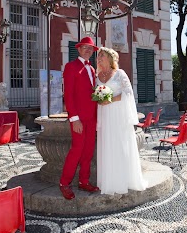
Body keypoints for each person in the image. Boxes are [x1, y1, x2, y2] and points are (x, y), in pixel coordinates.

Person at [95, 47, 147, 195]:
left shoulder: (120, 74)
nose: (99, 59)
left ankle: (124, 180)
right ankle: (109, 181)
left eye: (102, 56)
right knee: (107, 145)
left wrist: (110, 99)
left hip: (118, 115)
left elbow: (129, 93)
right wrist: (99, 100)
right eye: (98, 56)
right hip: (105, 115)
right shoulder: (97, 75)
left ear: (110, 58)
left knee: (120, 145)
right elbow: (95, 93)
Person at [59, 36, 100, 200]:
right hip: (79, 118)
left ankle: (84, 181)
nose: (88, 50)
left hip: (92, 118)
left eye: (91, 48)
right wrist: (74, 119)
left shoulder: (92, 69)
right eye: (85, 47)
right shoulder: (71, 67)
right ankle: (64, 183)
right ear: (79, 49)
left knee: (88, 151)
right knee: (77, 150)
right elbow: (68, 96)